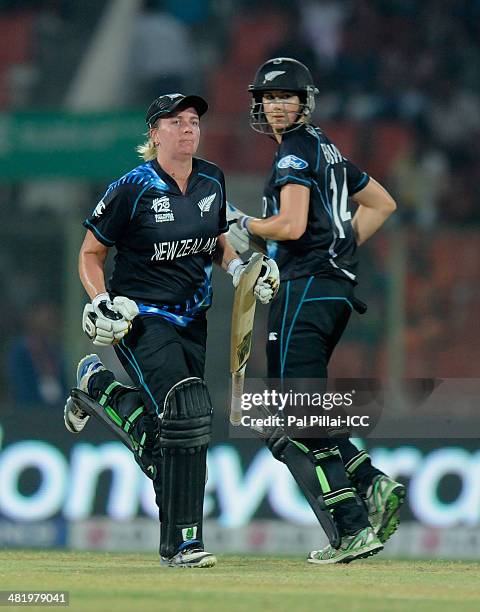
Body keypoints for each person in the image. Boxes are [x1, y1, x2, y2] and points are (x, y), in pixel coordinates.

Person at [63, 92, 279, 568]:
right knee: (187, 407)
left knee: (177, 433)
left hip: (194, 318)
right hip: (142, 317)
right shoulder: (131, 188)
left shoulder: (211, 180)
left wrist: (241, 268)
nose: (188, 128)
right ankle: (182, 543)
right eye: (176, 121)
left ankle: (98, 387)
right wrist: (100, 301)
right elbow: (90, 254)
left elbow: (218, 241)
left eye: (194, 121)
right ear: (154, 133)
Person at [233, 57, 405, 564]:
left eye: (286, 96)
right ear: (258, 105)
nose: (277, 105)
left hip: (305, 287)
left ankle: (353, 526)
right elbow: (382, 204)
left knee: (295, 411)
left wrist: (243, 222)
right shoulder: (326, 148)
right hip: (333, 292)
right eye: (269, 97)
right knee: (300, 406)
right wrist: (341, 250)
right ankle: (369, 483)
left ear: (304, 102)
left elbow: (288, 225)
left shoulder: (294, 152)